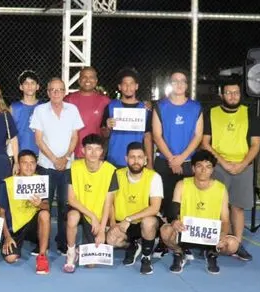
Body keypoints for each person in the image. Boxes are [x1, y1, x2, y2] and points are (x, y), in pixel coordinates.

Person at [201, 76, 260, 261]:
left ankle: (236, 244)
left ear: (240, 93)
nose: (232, 96)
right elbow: (205, 143)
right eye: (228, 92)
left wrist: (242, 164)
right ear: (221, 94)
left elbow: (256, 144)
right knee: (216, 206)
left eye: (235, 92)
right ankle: (214, 243)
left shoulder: (249, 113)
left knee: (237, 207)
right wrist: (223, 163)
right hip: (219, 166)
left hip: (242, 167)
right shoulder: (211, 113)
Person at [160, 150, 240, 274]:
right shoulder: (182, 184)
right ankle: (179, 252)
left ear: (212, 170)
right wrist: (174, 221)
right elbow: (173, 210)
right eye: (199, 166)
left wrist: (223, 234)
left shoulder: (221, 189)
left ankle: (211, 253)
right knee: (165, 231)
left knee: (233, 244)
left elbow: (225, 219)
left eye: (208, 167)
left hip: (209, 236)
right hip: (186, 232)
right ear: (193, 168)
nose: (204, 170)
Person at [30, 77, 84, 252]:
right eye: (52, 90)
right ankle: (41, 244)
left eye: (59, 90)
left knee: (64, 205)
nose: (56, 93)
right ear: (47, 92)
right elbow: (38, 140)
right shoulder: (40, 110)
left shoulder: (73, 110)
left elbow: (75, 137)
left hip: (67, 166)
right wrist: (54, 159)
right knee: (42, 205)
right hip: (46, 165)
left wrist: (65, 157)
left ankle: (62, 243)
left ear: (64, 92)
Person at [152, 70, 204, 221]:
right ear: (170, 84)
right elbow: (157, 135)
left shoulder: (195, 107)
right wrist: (171, 159)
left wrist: (181, 158)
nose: (179, 84)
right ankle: (164, 237)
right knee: (165, 202)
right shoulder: (160, 106)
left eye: (183, 81)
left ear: (187, 85)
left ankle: (184, 238)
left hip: (187, 162)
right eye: (175, 81)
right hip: (164, 161)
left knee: (187, 201)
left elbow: (198, 135)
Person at [106, 142, 163, 275]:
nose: (136, 161)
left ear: (145, 160)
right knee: (111, 240)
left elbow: (155, 208)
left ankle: (146, 256)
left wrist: (129, 219)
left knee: (149, 222)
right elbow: (110, 203)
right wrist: (113, 224)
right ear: (126, 159)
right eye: (132, 157)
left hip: (142, 222)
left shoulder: (154, 177)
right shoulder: (116, 174)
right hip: (122, 224)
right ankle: (132, 246)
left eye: (139, 157)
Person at [64, 134, 118, 273]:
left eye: (97, 149)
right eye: (89, 149)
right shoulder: (74, 167)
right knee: (72, 217)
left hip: (98, 213)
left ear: (102, 152)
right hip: (79, 208)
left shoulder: (110, 170)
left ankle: (81, 249)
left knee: (91, 265)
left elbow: (108, 203)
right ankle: (71, 253)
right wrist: (92, 216)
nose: (93, 153)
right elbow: (71, 199)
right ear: (83, 150)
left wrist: (101, 230)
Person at [0, 150, 52, 274]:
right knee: (11, 258)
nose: (29, 166)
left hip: (34, 224)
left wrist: (40, 204)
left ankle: (42, 256)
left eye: (32, 163)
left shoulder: (40, 180)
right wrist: (7, 237)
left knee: (44, 214)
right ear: (18, 165)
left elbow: (47, 207)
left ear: (36, 164)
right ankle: (13, 242)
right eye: (25, 163)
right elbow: (1, 213)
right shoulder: (7, 183)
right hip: (15, 226)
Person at [101, 68, 153, 168]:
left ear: (136, 86)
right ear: (120, 87)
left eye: (131, 84)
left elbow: (147, 136)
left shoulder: (145, 109)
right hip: (114, 159)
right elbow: (104, 135)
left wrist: (150, 161)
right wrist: (107, 127)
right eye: (125, 84)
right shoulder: (111, 106)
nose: (128, 87)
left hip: (136, 160)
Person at [65, 67, 110, 158]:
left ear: (96, 80)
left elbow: (107, 129)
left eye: (91, 77)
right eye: (84, 77)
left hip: (95, 154)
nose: (87, 80)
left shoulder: (105, 101)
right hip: (72, 152)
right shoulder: (68, 99)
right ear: (79, 80)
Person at [10, 70, 41, 155]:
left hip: (41, 154)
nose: (29, 86)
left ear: (37, 86)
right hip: (20, 153)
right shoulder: (14, 107)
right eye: (26, 83)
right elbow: (9, 134)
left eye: (32, 83)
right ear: (21, 87)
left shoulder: (43, 107)